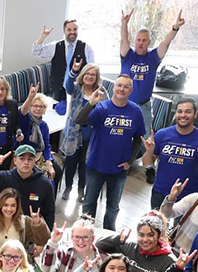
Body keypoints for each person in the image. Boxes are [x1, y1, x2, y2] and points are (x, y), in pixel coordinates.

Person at [76, 75, 145, 229]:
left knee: (113, 206)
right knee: (89, 203)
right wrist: (91, 103)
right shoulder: (102, 108)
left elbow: (138, 138)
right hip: (96, 165)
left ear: (131, 90)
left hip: (119, 169)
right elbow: (80, 120)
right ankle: (86, 233)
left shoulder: (136, 111)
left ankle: (109, 235)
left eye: (126, 87)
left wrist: (130, 161)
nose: (122, 89)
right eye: (119, 85)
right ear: (113, 88)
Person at [120, 9, 185, 157]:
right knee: (123, 134)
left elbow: (166, 42)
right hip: (125, 104)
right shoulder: (127, 55)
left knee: (147, 137)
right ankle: (124, 161)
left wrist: (175, 27)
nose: (141, 43)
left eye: (144, 40)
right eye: (138, 39)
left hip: (144, 105)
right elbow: (124, 40)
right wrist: (124, 24)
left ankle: (148, 166)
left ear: (149, 42)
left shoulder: (153, 57)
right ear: (135, 41)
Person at [142, 98, 198, 208]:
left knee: (181, 226)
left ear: (195, 114)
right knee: (158, 224)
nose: (183, 115)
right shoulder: (162, 135)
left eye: (188, 111)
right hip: (161, 191)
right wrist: (149, 151)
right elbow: (147, 164)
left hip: (188, 194)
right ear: (175, 113)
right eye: (180, 111)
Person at [60, 60, 106, 202]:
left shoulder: (101, 92)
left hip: (91, 134)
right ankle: (68, 187)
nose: (90, 76)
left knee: (85, 164)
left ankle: (81, 189)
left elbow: (106, 109)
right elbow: (67, 84)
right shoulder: (75, 87)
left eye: (93, 74)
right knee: (71, 162)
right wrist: (73, 70)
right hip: (74, 132)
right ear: (83, 74)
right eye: (87, 73)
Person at [96, 211, 176, 272]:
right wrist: (118, 239)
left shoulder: (169, 261)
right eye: (141, 235)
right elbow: (98, 245)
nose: (145, 239)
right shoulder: (131, 246)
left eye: (150, 235)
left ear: (160, 235)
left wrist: (131, 267)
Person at [32, 20, 95, 102]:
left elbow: (92, 69)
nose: (72, 32)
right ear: (64, 31)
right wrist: (42, 37)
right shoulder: (55, 46)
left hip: (77, 91)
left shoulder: (86, 47)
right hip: (57, 90)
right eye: (69, 30)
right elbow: (36, 53)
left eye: (75, 29)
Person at [18, 85, 62, 192]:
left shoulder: (43, 125)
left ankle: (50, 201)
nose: (38, 108)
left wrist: (49, 162)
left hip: (39, 155)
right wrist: (30, 96)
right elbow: (22, 112)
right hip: (26, 154)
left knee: (57, 171)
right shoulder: (25, 120)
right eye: (35, 105)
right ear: (30, 107)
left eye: (41, 106)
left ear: (44, 109)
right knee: (40, 178)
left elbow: (46, 145)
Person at [0, 145, 55, 230]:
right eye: (22, 158)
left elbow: (49, 213)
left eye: (30, 159)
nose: (26, 162)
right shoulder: (3, 178)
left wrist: (47, 237)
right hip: (5, 229)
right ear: (15, 160)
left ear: (34, 161)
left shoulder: (45, 184)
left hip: (30, 232)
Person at [0, 187, 50, 252]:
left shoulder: (25, 221)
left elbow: (45, 239)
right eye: (5, 205)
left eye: (13, 205)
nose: (9, 209)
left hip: (18, 261)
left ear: (17, 207)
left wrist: (37, 223)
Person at [0, 77, 19, 170]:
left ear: (7, 90)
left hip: (7, 149)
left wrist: (19, 133)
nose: (0, 92)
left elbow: (16, 125)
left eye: (2, 89)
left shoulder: (12, 104)